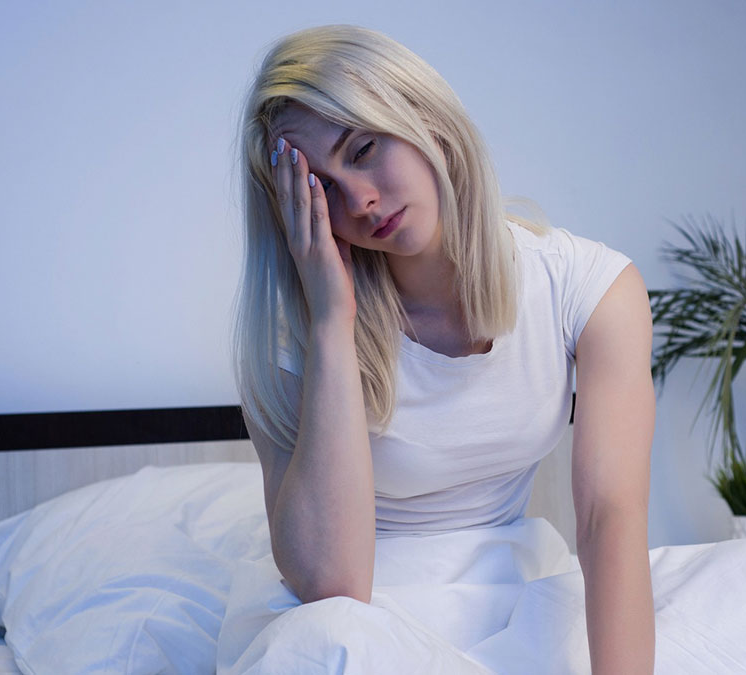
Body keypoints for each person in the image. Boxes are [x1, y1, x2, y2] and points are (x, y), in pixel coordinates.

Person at [231, 24, 655, 674]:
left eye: (365, 148)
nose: (361, 199)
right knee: (326, 645)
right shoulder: (295, 332)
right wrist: (331, 322)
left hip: (518, 587)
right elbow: (333, 584)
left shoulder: (588, 288)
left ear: (422, 114)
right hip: (364, 606)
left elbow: (608, 517)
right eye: (322, 189)